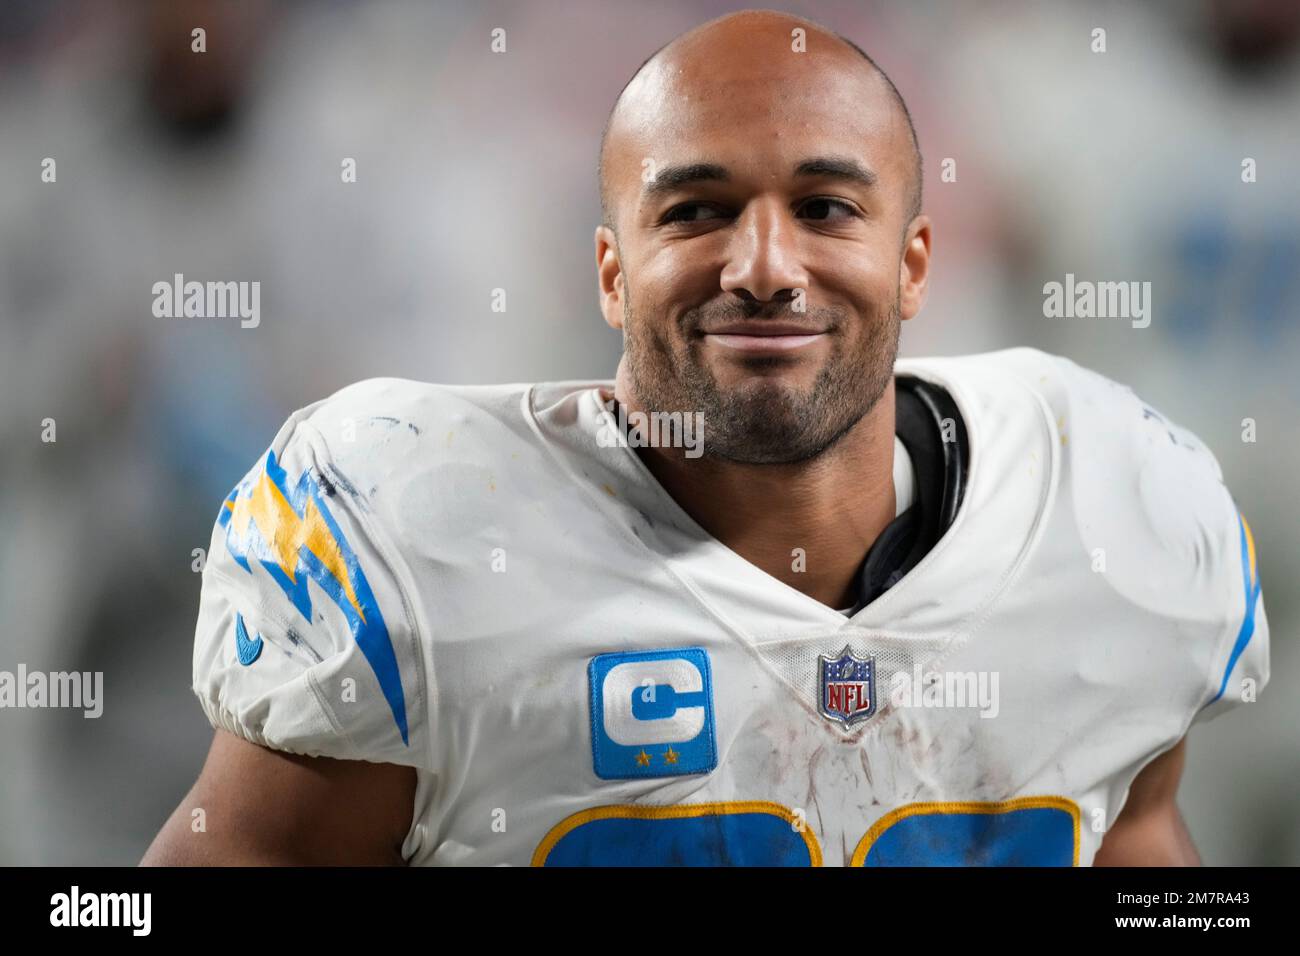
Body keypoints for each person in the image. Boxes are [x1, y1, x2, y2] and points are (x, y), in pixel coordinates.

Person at [143, 10, 1268, 866]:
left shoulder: (1115, 509)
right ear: (608, 270)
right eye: (695, 210)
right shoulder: (416, 540)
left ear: (916, 261)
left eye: (826, 207)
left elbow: (1147, 858)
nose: (765, 267)